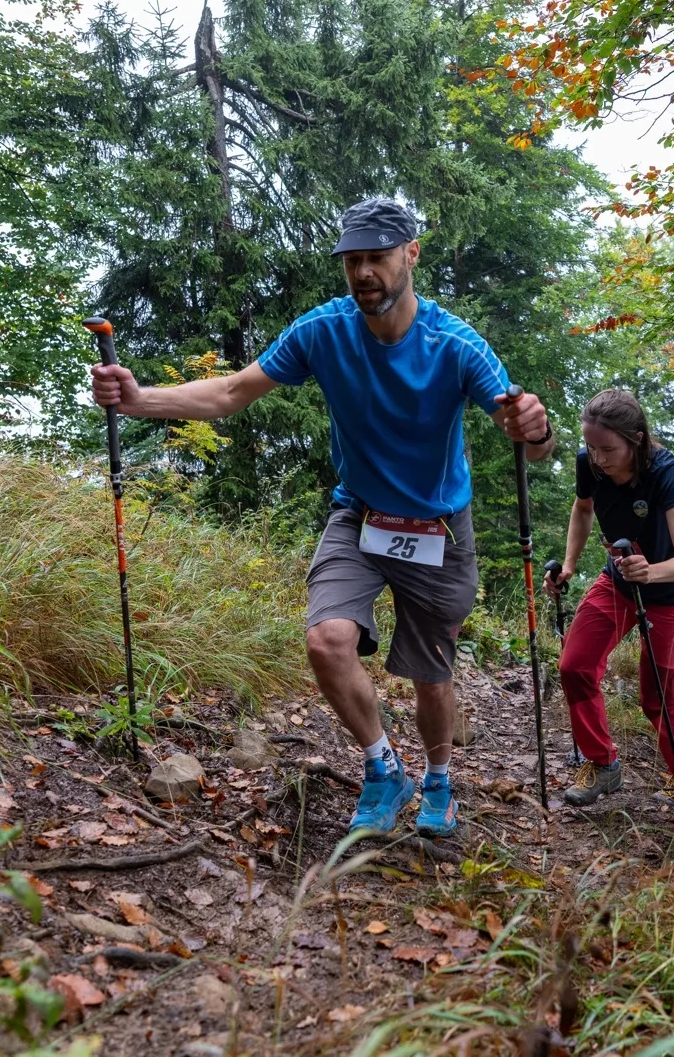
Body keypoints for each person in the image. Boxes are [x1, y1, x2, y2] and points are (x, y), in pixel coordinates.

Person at [89, 197, 552, 839]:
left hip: (438, 530)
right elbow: (230, 393)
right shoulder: (322, 331)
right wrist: (141, 401)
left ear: (410, 255)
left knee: (430, 673)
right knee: (326, 640)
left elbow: (522, 429)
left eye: (378, 258)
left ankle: (440, 777)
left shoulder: (455, 344)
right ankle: (383, 768)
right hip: (360, 516)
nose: (364, 272)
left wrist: (535, 427)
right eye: (353, 260)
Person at [543, 389, 674, 807]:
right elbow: (583, 509)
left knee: (657, 697)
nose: (598, 459)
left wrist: (651, 572)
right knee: (575, 666)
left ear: (636, 438)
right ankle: (602, 765)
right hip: (618, 583)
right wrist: (569, 565)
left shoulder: (667, 474)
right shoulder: (589, 463)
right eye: (591, 447)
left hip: (673, 594)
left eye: (608, 449)